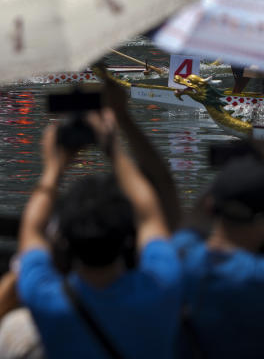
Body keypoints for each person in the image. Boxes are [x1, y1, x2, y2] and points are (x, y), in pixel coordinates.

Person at [17, 110, 182, 359]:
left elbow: (31, 229)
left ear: (62, 237)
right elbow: (151, 214)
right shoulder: (161, 286)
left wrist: (54, 166)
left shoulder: (44, 298)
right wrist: (114, 146)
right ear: (130, 236)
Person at [171, 152, 264, 358]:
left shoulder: (177, 257)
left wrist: (231, 177)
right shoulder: (257, 277)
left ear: (210, 205)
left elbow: (189, 215)